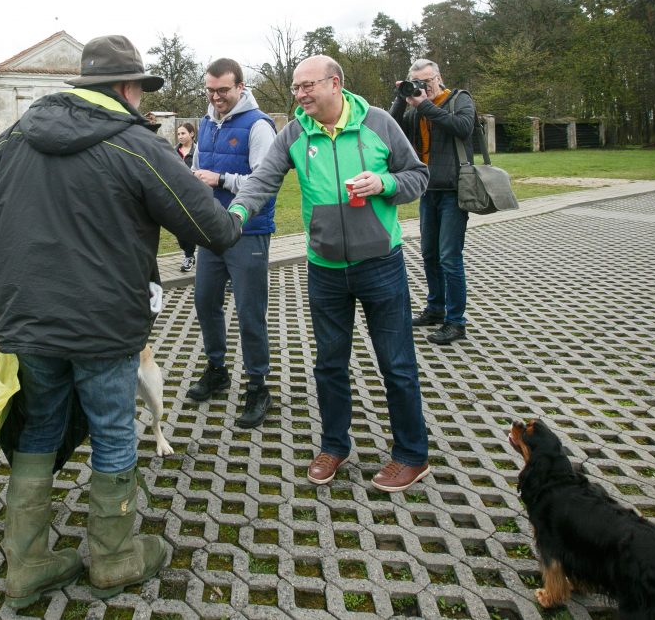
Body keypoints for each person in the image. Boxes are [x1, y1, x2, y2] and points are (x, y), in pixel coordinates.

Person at [0, 35, 241, 607]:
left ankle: (28, 565)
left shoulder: (13, 139)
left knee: (38, 427)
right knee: (112, 430)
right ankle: (114, 557)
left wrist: (8, 294)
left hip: (27, 322)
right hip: (105, 325)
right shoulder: (138, 145)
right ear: (130, 89)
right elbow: (213, 228)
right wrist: (241, 212)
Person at [229, 55, 431, 492]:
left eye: (307, 86)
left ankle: (412, 454)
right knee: (329, 365)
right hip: (324, 269)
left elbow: (418, 176)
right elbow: (262, 180)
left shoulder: (379, 123)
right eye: (296, 87)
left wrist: (385, 184)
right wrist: (238, 214)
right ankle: (334, 445)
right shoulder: (296, 131)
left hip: (381, 265)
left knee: (396, 365)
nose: (299, 95)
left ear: (334, 84)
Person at [186, 58, 277, 430]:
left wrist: (220, 179)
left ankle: (258, 385)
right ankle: (217, 369)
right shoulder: (205, 123)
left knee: (249, 311)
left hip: (248, 233)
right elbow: (196, 169)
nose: (216, 97)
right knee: (206, 302)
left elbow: (266, 182)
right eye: (210, 90)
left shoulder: (259, 125)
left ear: (241, 86)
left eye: (223, 90)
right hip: (210, 232)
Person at [395, 59, 476, 345]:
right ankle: (435, 308)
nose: (423, 87)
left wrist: (425, 104)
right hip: (428, 190)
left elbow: (464, 128)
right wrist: (402, 98)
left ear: (438, 78)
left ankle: (456, 322)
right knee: (429, 254)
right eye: (418, 82)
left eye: (427, 82)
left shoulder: (459, 99)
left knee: (449, 258)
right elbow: (394, 130)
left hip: (454, 191)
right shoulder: (417, 109)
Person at [175, 122, 198, 272]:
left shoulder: (199, 152)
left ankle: (189, 256)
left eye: (183, 133)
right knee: (179, 228)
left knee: (192, 226)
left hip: (194, 196)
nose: (180, 136)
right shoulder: (172, 152)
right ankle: (188, 252)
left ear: (192, 134)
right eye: (178, 134)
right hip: (176, 196)